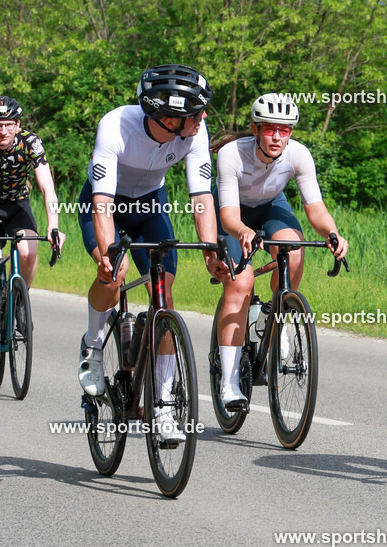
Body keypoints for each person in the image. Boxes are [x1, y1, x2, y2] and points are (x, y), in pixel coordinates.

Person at [77, 64, 227, 444]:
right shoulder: (115, 125)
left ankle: (161, 407)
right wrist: (107, 253)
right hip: (106, 204)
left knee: (165, 298)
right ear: (169, 117)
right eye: (195, 112)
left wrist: (211, 250)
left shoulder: (194, 132)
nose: (203, 117)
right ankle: (92, 347)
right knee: (114, 276)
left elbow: (201, 196)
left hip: (149, 207)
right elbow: (102, 200)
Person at [213, 93, 348, 408]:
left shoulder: (299, 155)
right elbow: (230, 216)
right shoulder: (232, 154)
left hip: (271, 206)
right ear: (255, 129)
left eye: (284, 130)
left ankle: (279, 316)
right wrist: (245, 231)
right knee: (240, 283)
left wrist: (333, 233)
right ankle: (230, 383)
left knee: (294, 249)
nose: (276, 136)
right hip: (235, 214)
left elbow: (315, 209)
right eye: (270, 128)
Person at [0, 96, 65, 366]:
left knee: (29, 250)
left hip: (18, 205)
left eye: (9, 124)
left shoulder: (30, 142)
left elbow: (47, 188)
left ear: (18, 125)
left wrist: (53, 225)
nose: (3, 131)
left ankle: (20, 300)